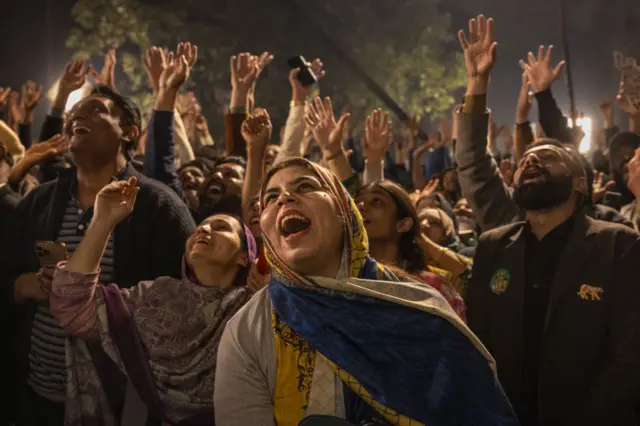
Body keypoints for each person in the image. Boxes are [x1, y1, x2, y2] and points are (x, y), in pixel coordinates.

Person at [214, 157, 519, 426]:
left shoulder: (418, 307)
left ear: (343, 212)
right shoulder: (246, 332)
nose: (284, 199)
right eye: (270, 197)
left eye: (305, 186)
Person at [458, 14, 640, 426]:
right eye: (523, 161)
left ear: (580, 183)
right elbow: (478, 344)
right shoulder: (495, 242)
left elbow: (630, 353)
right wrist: (477, 85)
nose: (531, 161)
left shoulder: (618, 244)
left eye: (548, 157)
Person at [0, 60, 195, 426]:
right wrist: (24, 286)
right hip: (39, 394)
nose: (76, 116)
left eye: (94, 109)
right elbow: (6, 269)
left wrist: (101, 305)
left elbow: (184, 301)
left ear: (129, 132)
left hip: (123, 399)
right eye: (73, 111)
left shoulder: (158, 205)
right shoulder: (41, 203)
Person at [49, 177, 255, 425]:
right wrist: (103, 221)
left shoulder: (255, 308)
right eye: (200, 226)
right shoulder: (155, 297)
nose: (204, 229)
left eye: (221, 227)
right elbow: (72, 307)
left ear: (244, 257)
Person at [355, 180, 467, 318]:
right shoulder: (343, 280)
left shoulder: (434, 290)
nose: (361, 207)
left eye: (377, 201)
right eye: (357, 202)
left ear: (403, 224)